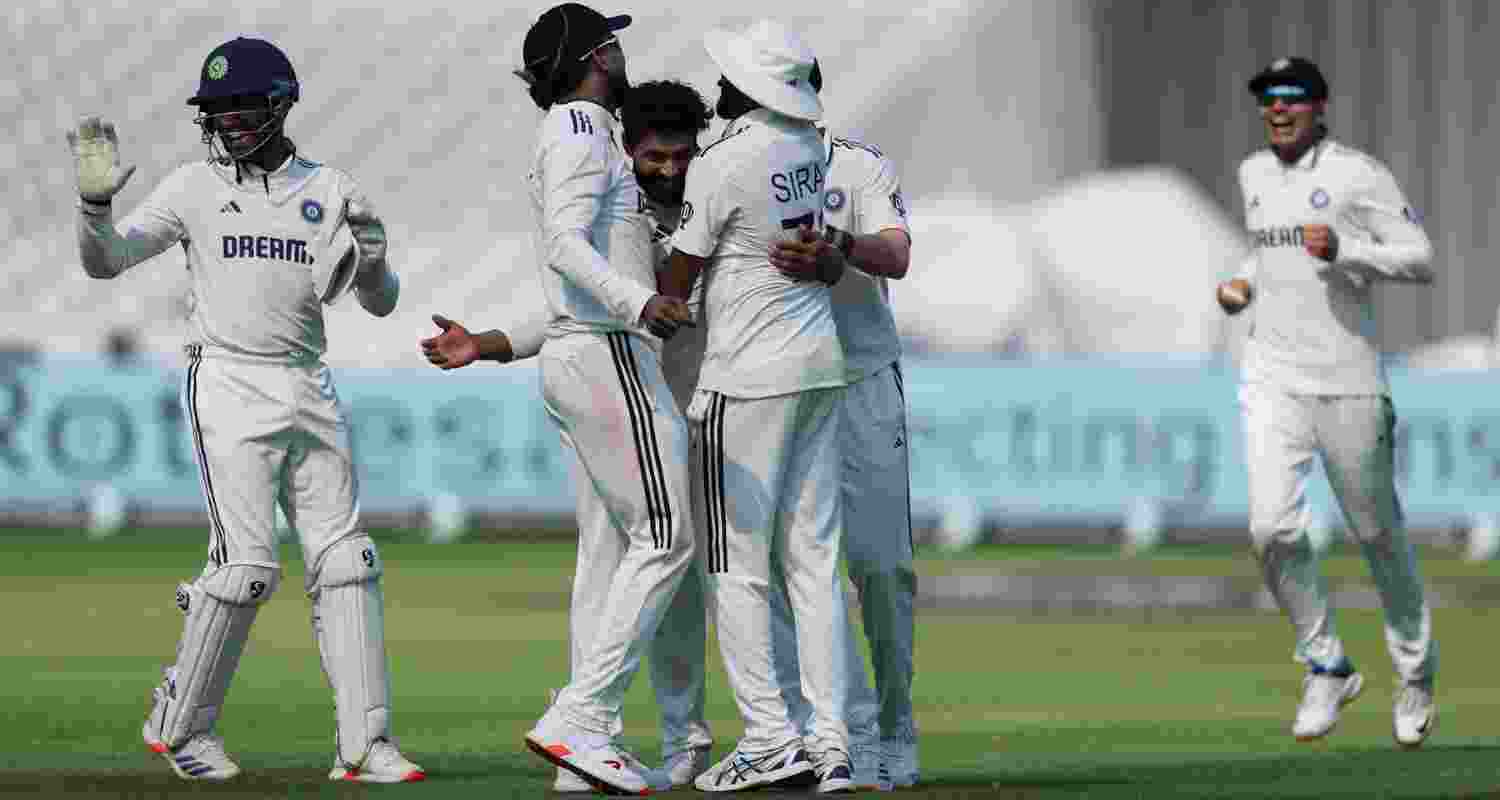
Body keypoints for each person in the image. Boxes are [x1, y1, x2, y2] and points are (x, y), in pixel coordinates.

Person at [67, 36, 423, 782]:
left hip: (308, 381)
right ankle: (182, 727)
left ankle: (364, 745)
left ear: (282, 102)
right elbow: (107, 262)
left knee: (349, 560)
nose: (229, 120)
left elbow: (382, 304)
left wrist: (380, 262)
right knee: (247, 568)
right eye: (217, 108)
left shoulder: (331, 186)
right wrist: (95, 208)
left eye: (244, 105)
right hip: (227, 382)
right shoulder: (193, 186)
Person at [421, 78, 715, 793]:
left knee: (671, 574)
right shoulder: (620, 209)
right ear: (628, 148)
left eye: (682, 155)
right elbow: (573, 310)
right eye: (656, 156)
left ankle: (677, 738)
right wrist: (487, 344)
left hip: (692, 408)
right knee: (618, 564)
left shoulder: (711, 207)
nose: (670, 169)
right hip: (624, 401)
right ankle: (590, 734)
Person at [1215, 56, 1437, 747]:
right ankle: (1326, 663)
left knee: (1377, 537)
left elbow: (1419, 256)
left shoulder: (1356, 174)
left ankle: (1415, 675)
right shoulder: (1253, 174)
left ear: (1317, 106)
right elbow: (1269, 252)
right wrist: (1244, 281)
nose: (1277, 110)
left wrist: (1345, 247)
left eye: (1291, 98)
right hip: (1271, 374)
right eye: (1268, 100)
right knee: (1269, 528)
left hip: (1347, 379)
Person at [659, 19, 854, 794]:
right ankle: (831, 742)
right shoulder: (809, 147)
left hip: (746, 379)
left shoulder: (725, 159)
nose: (717, 85)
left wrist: (656, 295)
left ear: (746, 88)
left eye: (728, 76)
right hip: (818, 365)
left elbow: (678, 276)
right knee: (814, 565)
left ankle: (771, 738)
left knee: (734, 566)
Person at [507, 5, 698, 795]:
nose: (623, 54)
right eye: (611, 44)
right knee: (667, 535)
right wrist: (636, 300)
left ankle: (586, 753)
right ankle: (581, 718)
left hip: (582, 349)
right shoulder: (585, 126)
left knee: (610, 554)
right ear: (595, 57)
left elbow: (585, 241)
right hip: (607, 348)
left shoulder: (570, 129)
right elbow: (564, 242)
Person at [763, 59, 918, 790]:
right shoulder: (735, 167)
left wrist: (841, 252)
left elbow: (897, 253)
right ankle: (826, 734)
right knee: (792, 575)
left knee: (881, 569)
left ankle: (893, 722)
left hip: (860, 383)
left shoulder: (856, 168)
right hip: (783, 391)